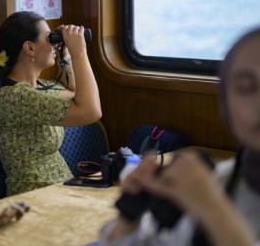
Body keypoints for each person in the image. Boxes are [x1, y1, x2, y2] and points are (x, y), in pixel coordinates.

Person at [99, 28, 260, 246]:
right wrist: (130, 215)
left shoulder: (209, 194)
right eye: (246, 88)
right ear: (226, 106)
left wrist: (213, 209)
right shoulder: (221, 181)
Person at [0, 11, 102, 196]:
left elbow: (74, 91)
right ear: (29, 48)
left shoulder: (39, 88)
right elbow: (91, 112)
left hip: (60, 189)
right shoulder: (12, 97)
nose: (55, 44)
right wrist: (80, 52)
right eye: (50, 38)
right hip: (34, 196)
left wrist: (67, 55)